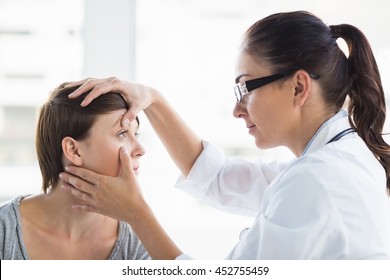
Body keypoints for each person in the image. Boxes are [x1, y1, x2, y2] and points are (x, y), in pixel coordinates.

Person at [60, 11, 390, 259]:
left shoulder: (317, 180)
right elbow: (217, 177)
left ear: (299, 87)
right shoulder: (334, 157)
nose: (237, 109)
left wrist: (137, 215)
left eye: (245, 87)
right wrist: (152, 99)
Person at [0, 82, 149, 260]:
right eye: (122, 133)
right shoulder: (5, 231)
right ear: (73, 150)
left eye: (136, 134)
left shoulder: (138, 243)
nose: (140, 149)